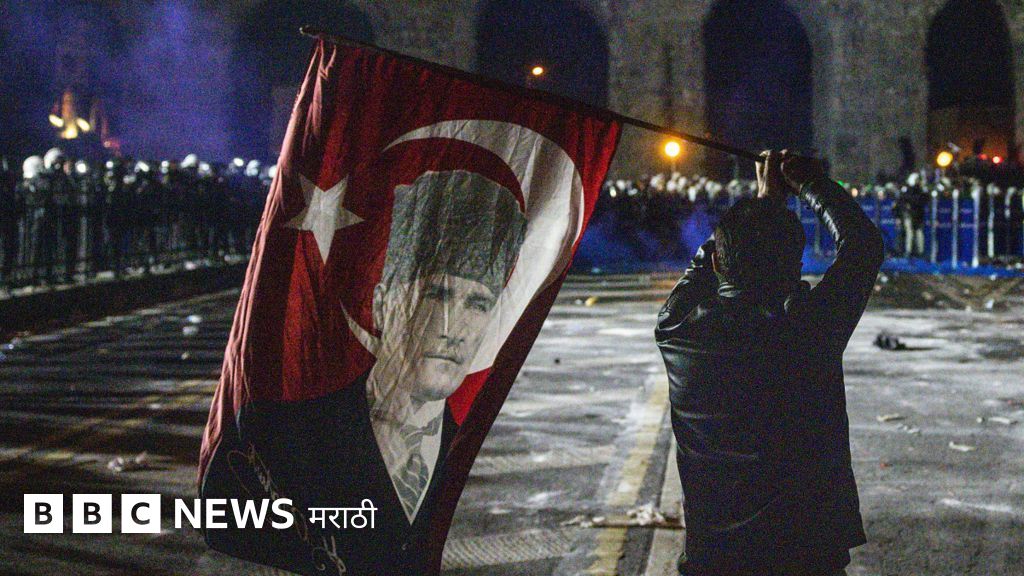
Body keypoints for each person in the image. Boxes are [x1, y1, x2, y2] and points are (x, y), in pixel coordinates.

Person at [201, 169, 528, 575]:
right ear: (383, 305)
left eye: (478, 304)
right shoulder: (280, 431)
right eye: (436, 295)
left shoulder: (468, 450)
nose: (453, 329)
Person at [656, 151, 883, 576]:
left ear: (719, 261)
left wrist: (764, 204)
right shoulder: (809, 330)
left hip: (713, 558)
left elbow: (705, 266)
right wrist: (810, 184)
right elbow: (864, 246)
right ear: (797, 264)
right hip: (805, 557)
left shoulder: (677, 328)